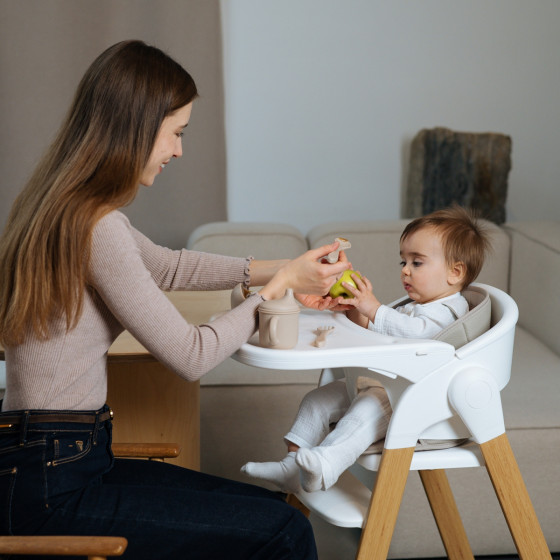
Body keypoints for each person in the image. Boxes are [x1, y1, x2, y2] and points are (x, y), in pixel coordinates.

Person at [0, 40, 351, 560]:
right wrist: (275, 294)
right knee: (282, 530)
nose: (179, 151)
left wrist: (288, 267)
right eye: (176, 133)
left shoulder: (61, 206)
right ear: (136, 128)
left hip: (47, 466)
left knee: (279, 515)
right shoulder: (97, 227)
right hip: (57, 485)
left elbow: (167, 266)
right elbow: (192, 355)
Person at [242, 205, 490, 493]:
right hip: (385, 381)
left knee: (364, 413)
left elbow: (420, 335)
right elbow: (377, 332)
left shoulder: (449, 310)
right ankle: (291, 464)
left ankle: (326, 465)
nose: (405, 271)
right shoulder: (415, 306)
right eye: (403, 262)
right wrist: (354, 311)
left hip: (411, 397)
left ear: (455, 272)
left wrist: (373, 307)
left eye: (417, 263)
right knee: (317, 401)